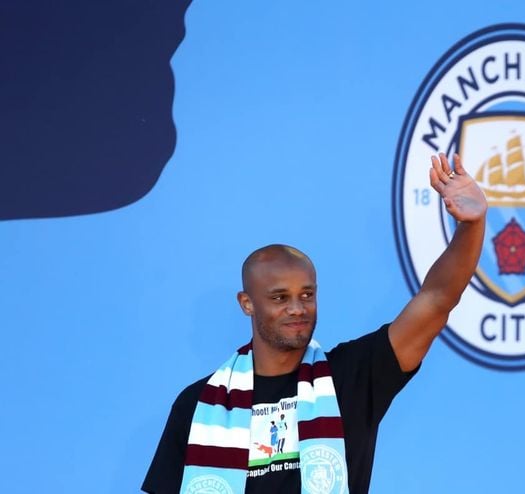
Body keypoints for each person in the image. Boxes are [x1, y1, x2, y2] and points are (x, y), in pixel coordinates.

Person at [142, 153, 487, 494]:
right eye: (280, 298)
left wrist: (471, 226)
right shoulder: (199, 404)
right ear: (247, 303)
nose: (297, 308)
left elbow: (437, 299)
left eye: (307, 295)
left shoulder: (353, 376)